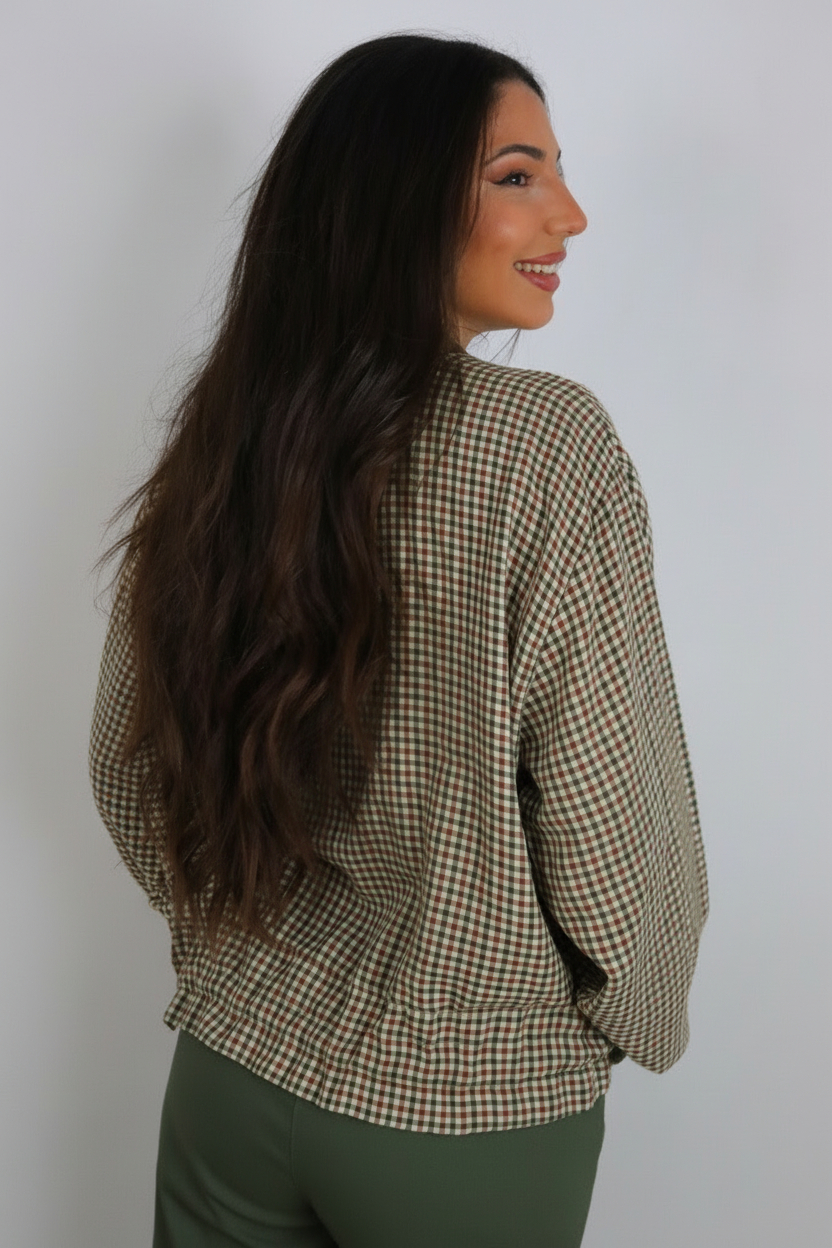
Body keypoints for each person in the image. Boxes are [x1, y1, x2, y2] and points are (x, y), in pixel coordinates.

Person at [89, 31, 709, 1248]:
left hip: (229, 1076)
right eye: (518, 175)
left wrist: (241, 954)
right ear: (397, 199)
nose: (570, 215)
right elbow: (610, 825)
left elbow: (129, 754)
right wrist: (629, 1015)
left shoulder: (233, 431)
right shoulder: (547, 447)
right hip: (462, 1109)